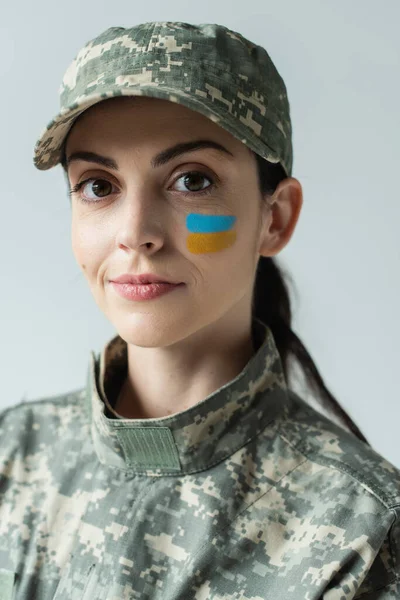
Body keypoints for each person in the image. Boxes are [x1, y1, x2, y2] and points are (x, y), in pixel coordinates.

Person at [0, 21, 398, 600]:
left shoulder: (358, 531)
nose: (136, 234)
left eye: (191, 179)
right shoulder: (13, 455)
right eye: (97, 186)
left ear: (276, 217)